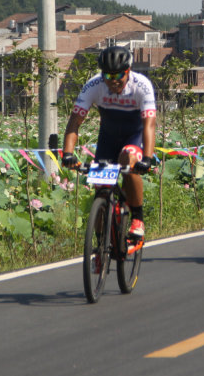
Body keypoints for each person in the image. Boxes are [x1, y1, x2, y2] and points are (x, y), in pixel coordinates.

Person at [61, 46, 156, 239]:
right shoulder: (94, 85)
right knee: (100, 190)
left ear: (128, 71)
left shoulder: (142, 85)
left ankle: (138, 217)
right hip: (108, 138)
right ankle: (99, 245)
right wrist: (68, 153)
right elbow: (74, 122)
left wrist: (146, 158)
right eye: (108, 75)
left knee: (127, 159)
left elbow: (149, 125)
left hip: (134, 136)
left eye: (119, 75)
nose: (113, 81)